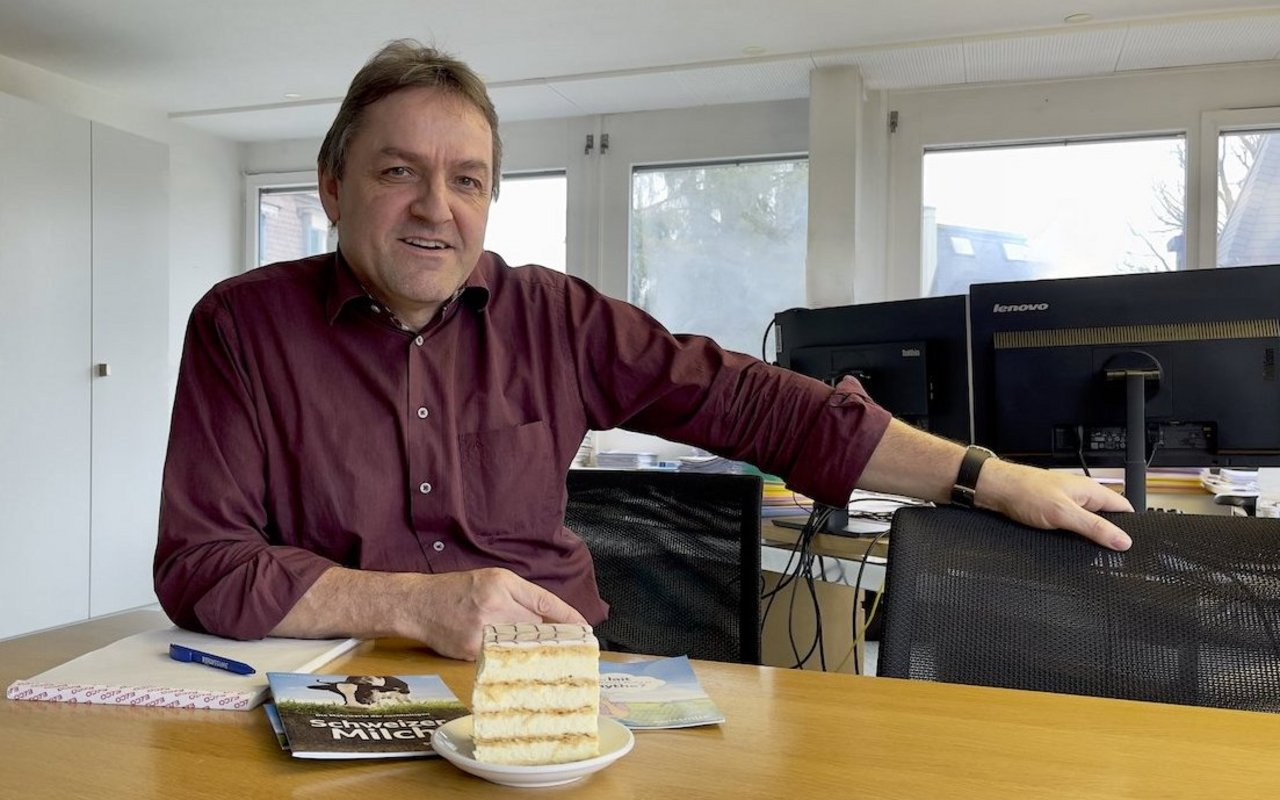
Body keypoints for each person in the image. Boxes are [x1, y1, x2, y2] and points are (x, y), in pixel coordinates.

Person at [154, 40, 1133, 661]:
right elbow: (202, 565)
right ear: (331, 185)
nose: (434, 208)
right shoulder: (241, 327)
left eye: (467, 179)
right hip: (339, 684)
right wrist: (415, 602)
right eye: (398, 171)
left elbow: (771, 410)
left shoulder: (557, 318)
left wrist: (989, 476)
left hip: (561, 690)